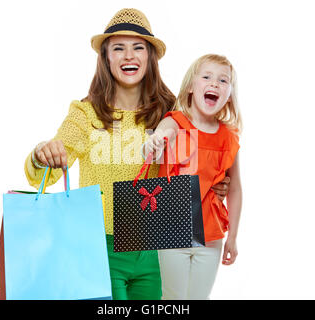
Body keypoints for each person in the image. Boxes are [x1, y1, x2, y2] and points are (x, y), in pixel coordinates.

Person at [24, 9, 230, 300]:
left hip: (162, 248)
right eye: (118, 48)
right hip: (101, 247)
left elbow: (202, 164)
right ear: (106, 57)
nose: (128, 56)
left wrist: (221, 183)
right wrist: (41, 155)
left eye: (138, 48)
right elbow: (44, 173)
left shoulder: (174, 113)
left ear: (150, 58)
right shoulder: (86, 115)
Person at [145, 54, 242, 300]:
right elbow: (161, 136)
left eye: (223, 80)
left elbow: (235, 189)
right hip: (172, 231)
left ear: (229, 94)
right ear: (191, 87)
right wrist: (155, 141)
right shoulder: (175, 122)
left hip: (210, 236)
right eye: (207, 77)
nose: (214, 84)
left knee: (198, 298)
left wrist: (233, 237)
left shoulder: (228, 138)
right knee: (173, 298)